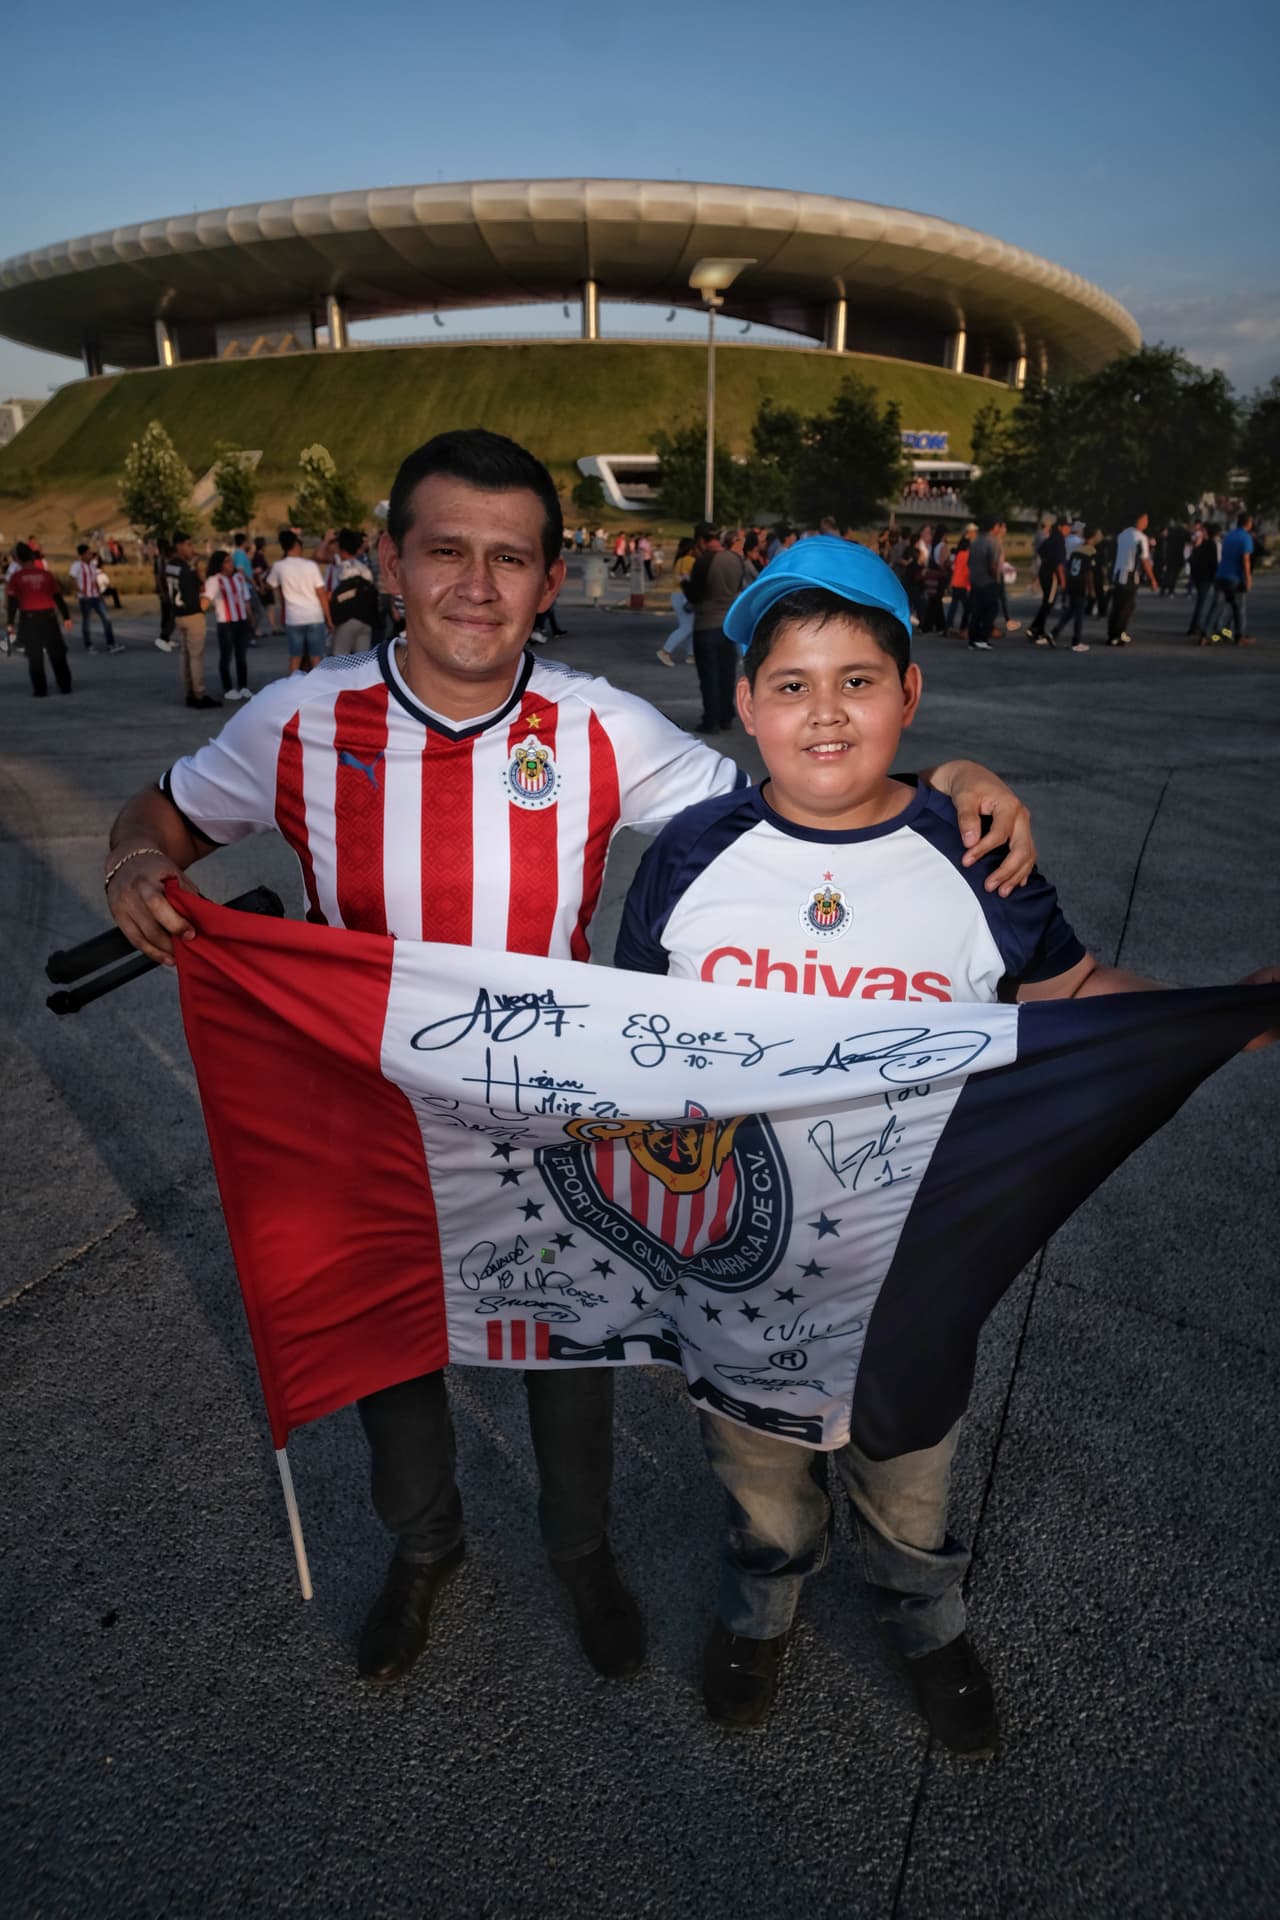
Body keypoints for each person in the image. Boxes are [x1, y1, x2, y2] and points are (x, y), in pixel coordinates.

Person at [102, 428, 1038, 1695]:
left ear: (550, 580)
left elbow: (801, 801)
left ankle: (580, 1552)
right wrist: (133, 862)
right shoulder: (298, 720)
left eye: (510, 558)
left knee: (571, 1353)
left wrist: (942, 781)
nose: (476, 585)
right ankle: (422, 1548)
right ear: (389, 560)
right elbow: (161, 812)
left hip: (551, 1116)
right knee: (396, 1357)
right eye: (445, 551)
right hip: (364, 1112)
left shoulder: (600, 726)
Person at [613, 536, 1277, 1752]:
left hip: (912, 1258)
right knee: (758, 1478)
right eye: (792, 684)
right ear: (745, 700)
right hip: (740, 1271)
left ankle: (922, 1618)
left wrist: (1216, 1018)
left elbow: (1066, 991)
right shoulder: (690, 857)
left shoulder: (973, 854)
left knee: (906, 1481)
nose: (825, 712)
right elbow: (632, 1040)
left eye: (858, 680)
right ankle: (758, 1606)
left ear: (908, 695)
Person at [686, 526, 746, 734]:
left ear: (702, 541)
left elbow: (695, 594)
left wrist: (685, 583)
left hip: (706, 623)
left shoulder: (703, 561)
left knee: (709, 675)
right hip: (728, 624)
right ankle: (726, 716)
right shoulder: (736, 560)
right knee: (726, 673)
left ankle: (710, 720)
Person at [6, 541, 73, 696]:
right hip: (49, 617)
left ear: (17, 559)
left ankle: (40, 690)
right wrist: (66, 616)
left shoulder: (16, 578)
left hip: (29, 620)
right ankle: (65, 686)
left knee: (35, 656)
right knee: (57, 653)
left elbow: (13, 602)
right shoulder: (46, 575)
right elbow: (57, 597)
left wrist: (10, 622)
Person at [165, 533, 221, 710]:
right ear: (179, 546)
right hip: (192, 614)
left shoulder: (169, 566)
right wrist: (197, 570)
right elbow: (197, 589)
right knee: (196, 656)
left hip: (178, 613)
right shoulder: (186, 569)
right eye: (188, 545)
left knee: (185, 655)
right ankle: (199, 693)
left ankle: (189, 690)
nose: (191, 549)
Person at [266, 529, 331, 672]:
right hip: (314, 616)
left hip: (293, 618)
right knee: (316, 658)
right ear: (297, 545)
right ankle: (317, 690)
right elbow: (321, 594)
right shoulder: (310, 566)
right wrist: (329, 619)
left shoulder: (279, 566)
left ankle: (292, 690)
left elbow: (270, 585)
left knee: (295, 658)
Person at [201, 549, 253, 700]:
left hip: (241, 621)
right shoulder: (214, 580)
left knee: (241, 656)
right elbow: (206, 599)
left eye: (231, 561)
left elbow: (246, 599)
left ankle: (243, 686)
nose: (231, 564)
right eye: (227, 561)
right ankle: (228, 688)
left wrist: (251, 619)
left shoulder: (239, 577)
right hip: (225, 623)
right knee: (226, 656)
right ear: (220, 564)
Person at [1204, 511, 1255, 647]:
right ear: (1249, 523)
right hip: (1235, 577)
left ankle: (1206, 635)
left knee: (1216, 606)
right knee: (1239, 608)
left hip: (1221, 575)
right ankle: (1239, 636)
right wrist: (1248, 578)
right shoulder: (1245, 538)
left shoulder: (1229, 536)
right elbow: (1245, 560)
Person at [1107, 513, 1157, 646]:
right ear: (1139, 520)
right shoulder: (1140, 538)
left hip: (1118, 573)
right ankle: (1117, 635)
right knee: (1127, 606)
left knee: (1117, 605)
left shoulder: (1122, 535)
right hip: (1130, 575)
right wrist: (1152, 579)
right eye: (1145, 520)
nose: (1147, 523)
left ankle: (1112, 633)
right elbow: (1144, 560)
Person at [328, 527, 378, 654]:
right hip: (366, 620)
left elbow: (331, 595)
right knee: (360, 663)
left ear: (341, 548)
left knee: (340, 662)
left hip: (345, 620)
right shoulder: (365, 569)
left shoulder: (339, 569)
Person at [1050, 528, 1099, 652]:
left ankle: (1054, 633)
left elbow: (1069, 566)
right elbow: (1089, 572)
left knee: (1071, 611)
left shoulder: (1077, 549)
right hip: (1081, 583)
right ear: (1093, 536)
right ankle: (1076, 641)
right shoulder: (1091, 551)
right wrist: (1091, 589)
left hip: (1072, 581)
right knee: (1079, 614)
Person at [70, 542, 124, 654]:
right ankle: (89, 645)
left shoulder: (92, 565)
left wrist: (99, 591)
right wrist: (79, 591)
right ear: (83, 554)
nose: (90, 555)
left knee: (106, 619)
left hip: (96, 596)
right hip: (85, 598)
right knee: (87, 621)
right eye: (88, 553)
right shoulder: (77, 565)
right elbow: (72, 578)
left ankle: (111, 644)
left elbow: (94, 579)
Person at [1026, 514, 1069, 644]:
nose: (1068, 530)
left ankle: (1036, 628)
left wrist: (1047, 561)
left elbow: (1040, 551)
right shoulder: (1059, 540)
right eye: (1067, 527)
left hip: (1044, 571)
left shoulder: (1051, 538)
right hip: (1052, 575)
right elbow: (1059, 564)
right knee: (1048, 603)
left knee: (1047, 602)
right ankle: (1035, 629)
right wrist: (1063, 580)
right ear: (1061, 527)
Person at [656, 534, 698, 667]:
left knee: (690, 626)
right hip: (684, 595)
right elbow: (688, 578)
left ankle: (691, 655)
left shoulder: (679, 560)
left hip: (677, 595)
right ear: (691, 549)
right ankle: (665, 651)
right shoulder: (689, 560)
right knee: (687, 627)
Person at [966, 516, 1004, 650]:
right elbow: (992, 564)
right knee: (991, 610)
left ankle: (973, 639)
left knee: (976, 611)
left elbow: (969, 562)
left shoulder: (975, 541)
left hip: (975, 580)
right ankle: (982, 638)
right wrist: (996, 578)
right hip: (988, 581)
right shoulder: (992, 542)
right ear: (994, 527)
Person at [1186, 523, 1219, 640]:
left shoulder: (1204, 544)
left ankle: (1195, 625)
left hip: (1198, 576)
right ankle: (1195, 626)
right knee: (1201, 602)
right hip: (1205, 577)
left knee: (1200, 602)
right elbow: (1213, 562)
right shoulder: (1210, 544)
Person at [947, 529, 972, 633]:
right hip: (963, 584)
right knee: (967, 607)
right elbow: (968, 570)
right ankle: (964, 627)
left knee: (953, 606)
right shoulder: (967, 555)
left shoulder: (958, 554)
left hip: (955, 583)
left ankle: (947, 626)